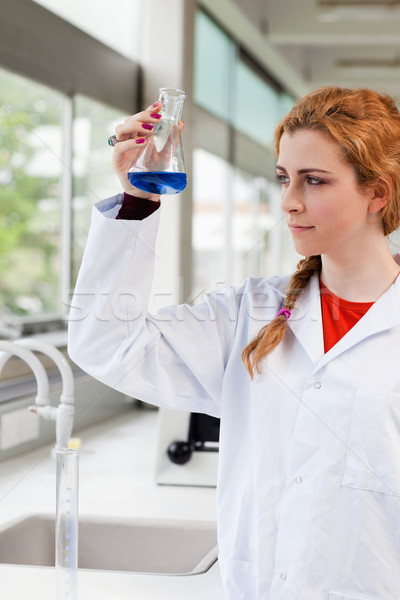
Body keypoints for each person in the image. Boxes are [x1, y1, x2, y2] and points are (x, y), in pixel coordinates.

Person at [68, 86, 400, 599]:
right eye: (284, 178)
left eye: (314, 181)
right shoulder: (249, 314)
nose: (289, 202)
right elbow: (109, 345)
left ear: (377, 193)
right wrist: (139, 198)